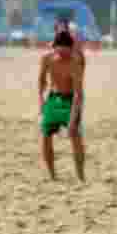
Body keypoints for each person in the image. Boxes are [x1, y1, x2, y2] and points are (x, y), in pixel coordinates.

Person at [39, 30, 86, 181]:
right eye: (59, 50)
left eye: (66, 51)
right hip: (53, 98)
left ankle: (80, 176)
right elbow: (41, 81)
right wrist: (41, 101)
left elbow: (78, 94)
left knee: (75, 136)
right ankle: (53, 176)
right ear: (54, 47)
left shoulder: (75, 63)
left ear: (71, 49)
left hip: (71, 99)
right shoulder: (47, 59)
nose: (63, 55)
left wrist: (72, 121)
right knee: (46, 135)